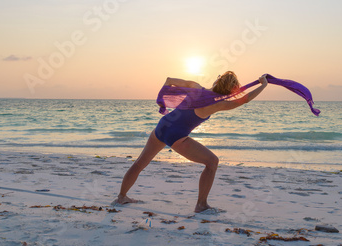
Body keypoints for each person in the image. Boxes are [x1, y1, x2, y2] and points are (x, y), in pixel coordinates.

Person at [112, 72, 268, 213]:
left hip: (162, 126)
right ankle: (201, 204)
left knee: (140, 163)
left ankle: (121, 197)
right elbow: (244, 100)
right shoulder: (217, 103)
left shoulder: (196, 87)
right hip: (176, 135)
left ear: (217, 81)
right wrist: (264, 84)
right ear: (229, 91)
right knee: (212, 162)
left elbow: (169, 80)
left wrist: (162, 99)